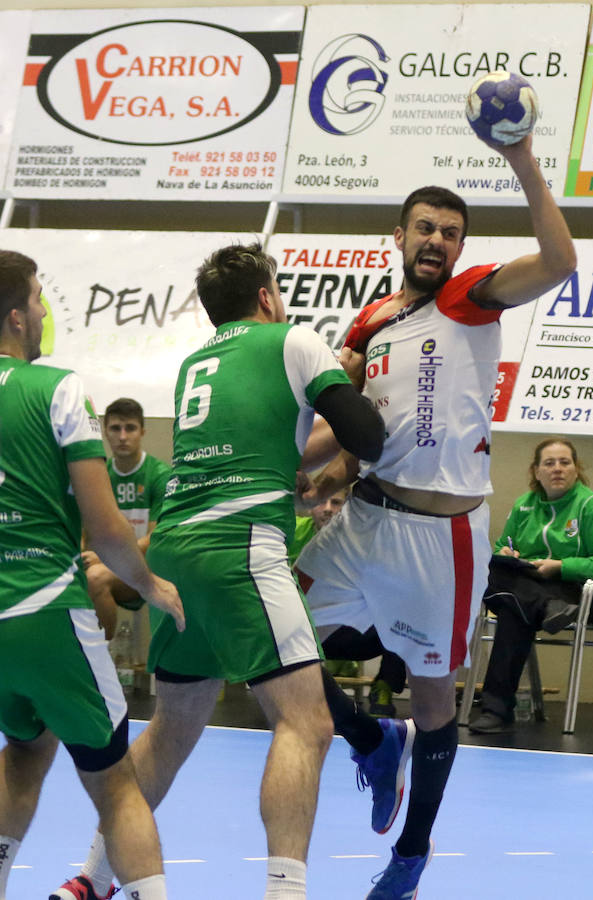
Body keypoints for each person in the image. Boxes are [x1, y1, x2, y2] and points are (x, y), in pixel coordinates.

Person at [52, 241, 385, 900]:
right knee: (307, 723)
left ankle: (89, 879)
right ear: (268, 295)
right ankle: (285, 893)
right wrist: (350, 382)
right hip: (242, 548)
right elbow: (366, 437)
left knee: (173, 727)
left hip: (176, 550)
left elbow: (281, 444)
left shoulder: (198, 364)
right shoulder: (294, 341)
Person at [294, 132, 578, 899]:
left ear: (461, 247)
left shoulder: (470, 295)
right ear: (399, 234)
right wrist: (318, 477)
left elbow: (558, 264)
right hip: (362, 523)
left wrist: (520, 160)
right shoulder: (371, 321)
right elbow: (359, 427)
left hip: (439, 538)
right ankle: (369, 739)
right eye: (425, 228)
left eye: (450, 233)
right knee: (267, 630)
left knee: (432, 699)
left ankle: (410, 857)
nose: (437, 241)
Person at [0, 250, 185, 900]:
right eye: (40, 300)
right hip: (46, 607)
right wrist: (152, 585)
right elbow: (105, 527)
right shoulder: (56, 389)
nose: (46, 312)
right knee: (114, 783)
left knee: (24, 754)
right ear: (19, 315)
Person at [469, 437, 593, 734]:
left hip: (582, 596)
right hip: (540, 597)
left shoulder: (591, 507)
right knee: (492, 572)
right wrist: (506, 553)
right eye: (549, 463)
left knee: (514, 609)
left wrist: (561, 567)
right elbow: (504, 545)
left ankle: (496, 710)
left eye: (565, 462)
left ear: (576, 469)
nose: (557, 469)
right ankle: (544, 607)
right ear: (536, 471)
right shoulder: (524, 506)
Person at [290, 489, 408, 716]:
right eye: (321, 501)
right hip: (307, 631)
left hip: (362, 635)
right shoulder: (291, 532)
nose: (326, 508)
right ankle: (295, 691)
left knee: (405, 615)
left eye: (335, 502)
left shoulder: (370, 540)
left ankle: (383, 687)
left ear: (348, 508)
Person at [84, 397, 171, 640]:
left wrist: (104, 558)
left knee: (95, 578)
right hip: (108, 564)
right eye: (115, 428)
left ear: (142, 431)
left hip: (147, 567)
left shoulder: (159, 476)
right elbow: (84, 531)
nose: (122, 436)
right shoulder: (98, 476)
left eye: (130, 428)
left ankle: (101, 661)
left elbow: (156, 539)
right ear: (105, 432)